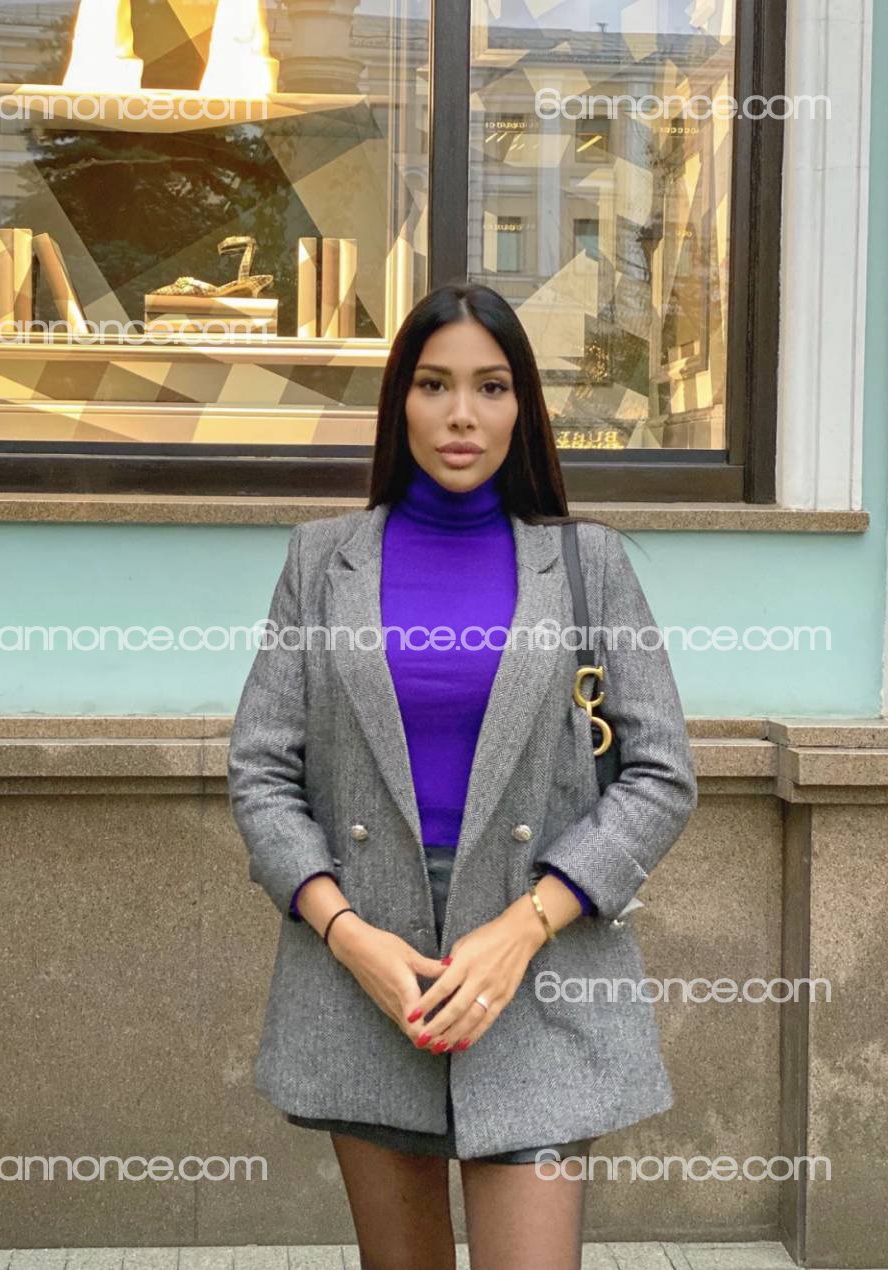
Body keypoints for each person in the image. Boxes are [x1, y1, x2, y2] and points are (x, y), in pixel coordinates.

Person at [227, 282, 698, 1269]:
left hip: (540, 960)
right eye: (434, 384)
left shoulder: (589, 565)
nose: (460, 415)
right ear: (399, 400)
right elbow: (263, 769)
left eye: (490, 386)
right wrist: (347, 936)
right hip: (369, 966)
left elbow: (659, 772)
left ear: (522, 405)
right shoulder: (320, 561)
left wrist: (525, 926)